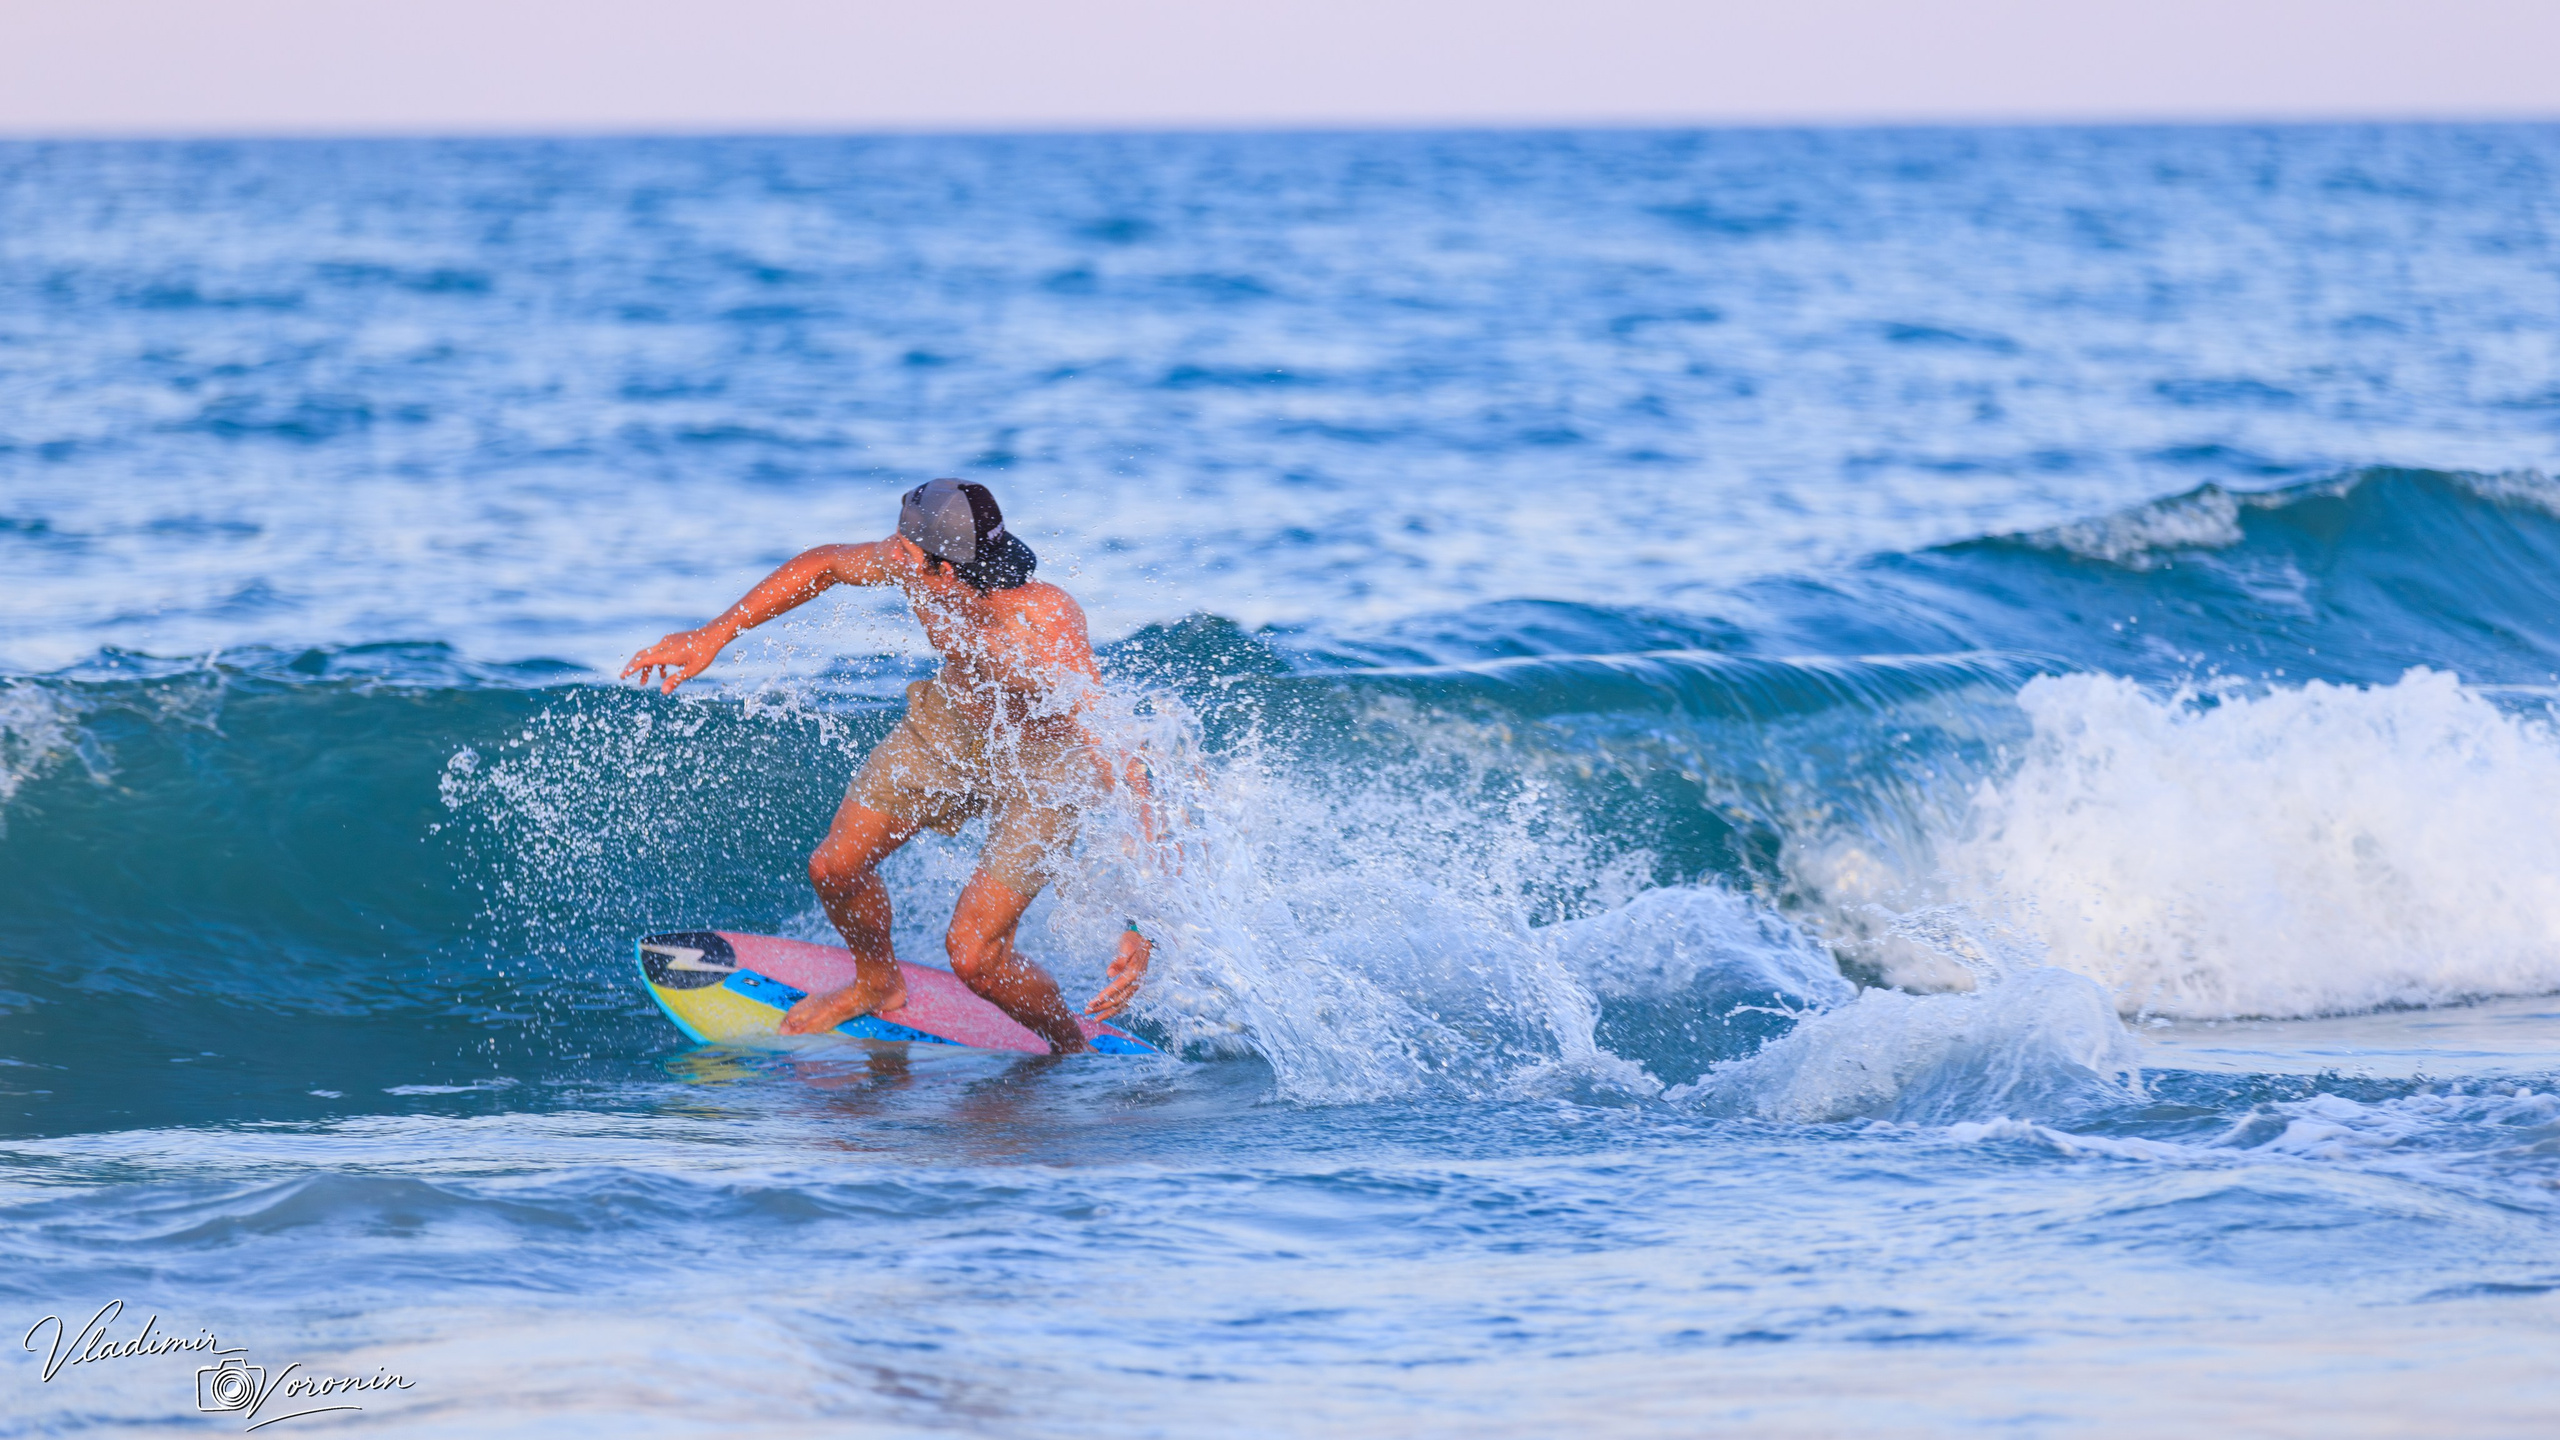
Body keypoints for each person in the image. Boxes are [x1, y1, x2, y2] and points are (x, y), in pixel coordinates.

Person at [623, 478, 1152, 1054]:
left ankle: (1069, 1047)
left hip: (1045, 766)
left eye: (905, 547)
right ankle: (878, 983)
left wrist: (1140, 923)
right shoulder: (918, 563)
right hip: (951, 725)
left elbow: (1123, 755)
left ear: (947, 570)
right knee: (835, 868)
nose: (890, 552)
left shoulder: (1042, 623)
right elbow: (824, 566)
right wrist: (712, 635)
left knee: (975, 958)